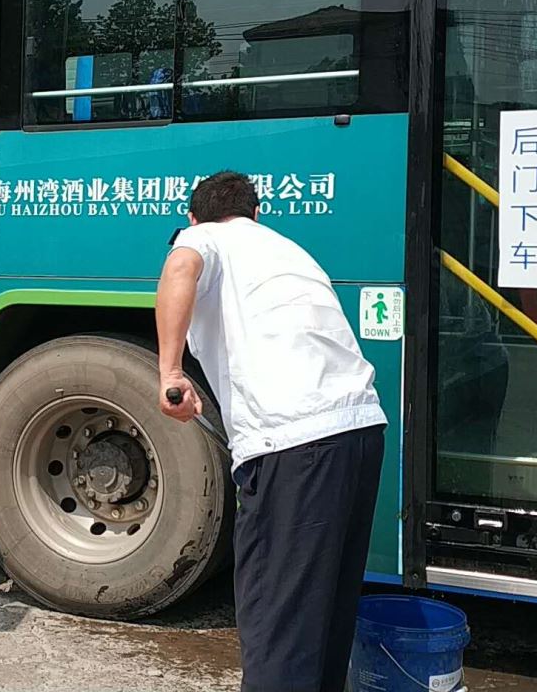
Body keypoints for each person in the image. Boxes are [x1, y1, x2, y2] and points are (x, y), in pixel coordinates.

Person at [155, 171, 388, 692]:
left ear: (193, 217)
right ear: (257, 212)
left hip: (294, 442)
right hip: (361, 431)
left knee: (278, 624)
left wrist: (170, 371)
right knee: (324, 615)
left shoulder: (203, 238)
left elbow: (181, 266)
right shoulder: (288, 250)